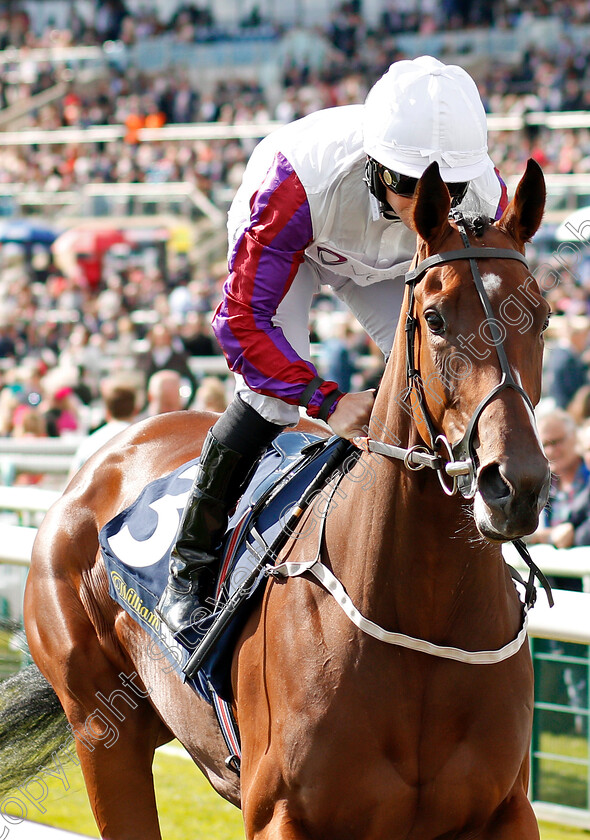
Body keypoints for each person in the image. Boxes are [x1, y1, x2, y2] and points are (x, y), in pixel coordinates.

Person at [156, 55, 509, 634]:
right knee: (269, 399)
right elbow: (241, 321)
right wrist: (325, 402)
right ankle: (188, 567)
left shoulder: (481, 198)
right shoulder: (290, 183)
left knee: (439, 379)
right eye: (413, 187)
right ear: (377, 166)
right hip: (303, 243)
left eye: (450, 189)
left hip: (392, 258)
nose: (433, 204)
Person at [529, 408, 590, 555]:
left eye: (557, 442)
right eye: (545, 445)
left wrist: (573, 536)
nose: (550, 451)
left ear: (574, 436)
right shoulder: (537, 487)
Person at [69, 373, 141, 477]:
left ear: (107, 411)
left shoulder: (90, 442)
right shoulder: (142, 440)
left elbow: (72, 482)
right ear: (136, 410)